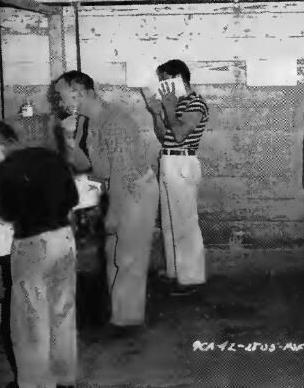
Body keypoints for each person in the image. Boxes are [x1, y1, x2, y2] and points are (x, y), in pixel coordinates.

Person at [0, 121, 79, 388]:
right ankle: (65, 379)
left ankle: (36, 383)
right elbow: (72, 198)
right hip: (64, 240)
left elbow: (6, 214)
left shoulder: (7, 170)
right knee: (62, 312)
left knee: (31, 320)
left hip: (32, 246)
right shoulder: (51, 157)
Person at [52, 70, 159, 328]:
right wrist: (67, 141)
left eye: (61, 95)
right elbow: (85, 164)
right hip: (115, 188)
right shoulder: (87, 121)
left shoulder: (115, 123)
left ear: (79, 93)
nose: (58, 101)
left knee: (128, 258)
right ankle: (120, 315)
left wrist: (113, 215)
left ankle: (126, 322)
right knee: (114, 254)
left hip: (134, 189)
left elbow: (122, 174)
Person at [143, 59, 209, 295]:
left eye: (163, 80)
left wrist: (168, 108)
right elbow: (164, 136)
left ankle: (191, 279)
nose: (161, 85)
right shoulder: (177, 103)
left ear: (176, 79)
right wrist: (156, 113)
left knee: (185, 223)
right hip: (168, 160)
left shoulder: (196, 103)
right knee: (170, 222)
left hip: (182, 160)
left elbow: (180, 135)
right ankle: (176, 272)